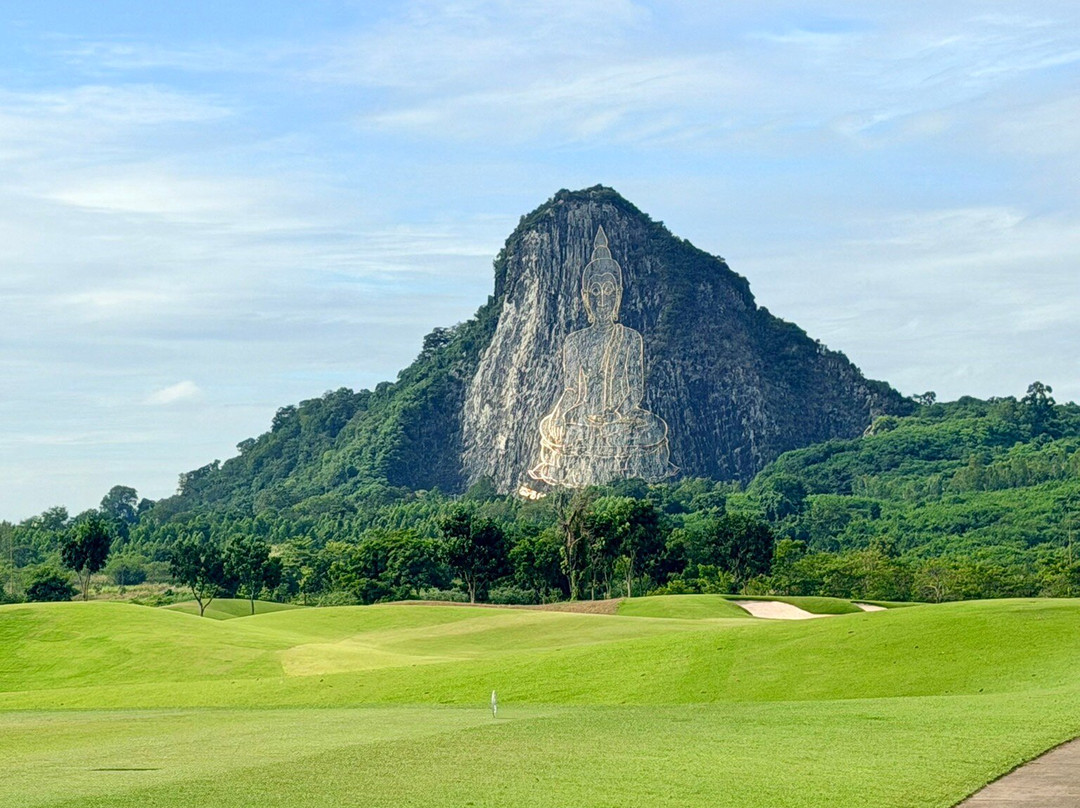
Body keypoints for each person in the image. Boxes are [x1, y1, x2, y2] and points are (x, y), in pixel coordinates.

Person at [529, 226, 675, 488]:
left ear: (618, 295)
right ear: (586, 298)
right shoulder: (575, 341)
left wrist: (616, 414)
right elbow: (572, 389)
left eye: (609, 291)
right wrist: (559, 414)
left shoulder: (630, 338)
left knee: (652, 428)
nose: (602, 299)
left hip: (621, 421)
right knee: (551, 427)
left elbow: (636, 390)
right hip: (585, 418)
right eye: (595, 292)